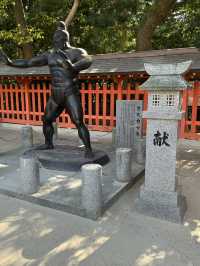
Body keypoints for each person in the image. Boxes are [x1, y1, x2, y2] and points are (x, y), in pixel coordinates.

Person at [0, 21, 94, 158]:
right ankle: (48, 143)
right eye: (54, 40)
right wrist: (11, 62)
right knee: (46, 119)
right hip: (55, 94)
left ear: (64, 40)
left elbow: (88, 60)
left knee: (78, 121)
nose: (55, 42)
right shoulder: (50, 54)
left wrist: (73, 67)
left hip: (69, 92)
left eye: (57, 40)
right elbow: (29, 62)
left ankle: (88, 149)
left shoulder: (76, 52)